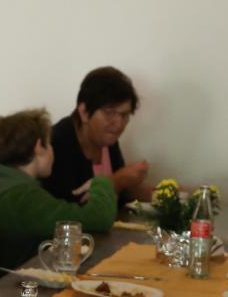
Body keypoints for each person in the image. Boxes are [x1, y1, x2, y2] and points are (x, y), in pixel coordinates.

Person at [0, 107, 117, 271]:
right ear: (38, 147)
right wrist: (101, 183)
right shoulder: (21, 198)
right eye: (49, 144)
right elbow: (100, 218)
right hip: (14, 288)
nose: (52, 150)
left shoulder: (8, 189)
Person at [39, 66, 151, 204]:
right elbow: (69, 211)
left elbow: (122, 193)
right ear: (84, 112)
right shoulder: (56, 144)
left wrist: (166, 194)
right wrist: (117, 180)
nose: (119, 123)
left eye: (125, 114)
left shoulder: (107, 139)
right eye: (110, 113)